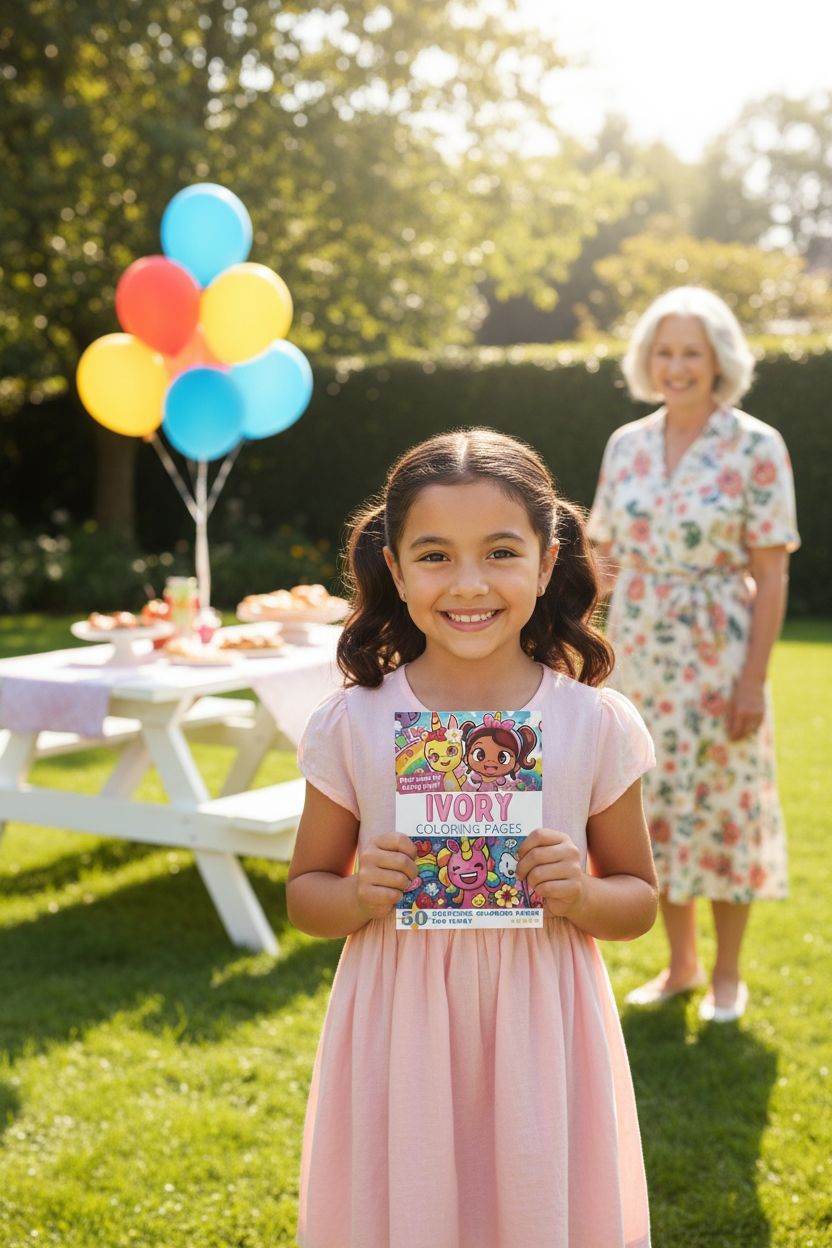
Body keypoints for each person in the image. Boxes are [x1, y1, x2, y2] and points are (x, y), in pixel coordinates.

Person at [287, 427, 658, 1248]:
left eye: (499, 552)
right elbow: (306, 895)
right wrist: (356, 894)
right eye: (434, 556)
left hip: (542, 1028)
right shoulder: (353, 721)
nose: (468, 583)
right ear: (395, 568)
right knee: (411, 1210)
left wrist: (583, 892)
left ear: (547, 560)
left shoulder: (593, 722)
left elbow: (638, 901)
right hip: (401, 1028)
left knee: (533, 1206)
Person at [588, 286, 800, 1024]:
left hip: (719, 654)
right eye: (664, 352)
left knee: (726, 807)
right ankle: (681, 965)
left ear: (719, 362)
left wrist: (752, 681)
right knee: (653, 806)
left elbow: (772, 570)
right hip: (641, 652)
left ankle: (727, 976)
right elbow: (601, 554)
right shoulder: (626, 444)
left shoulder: (757, 445)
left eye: (691, 354)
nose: (676, 367)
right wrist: (575, 634)